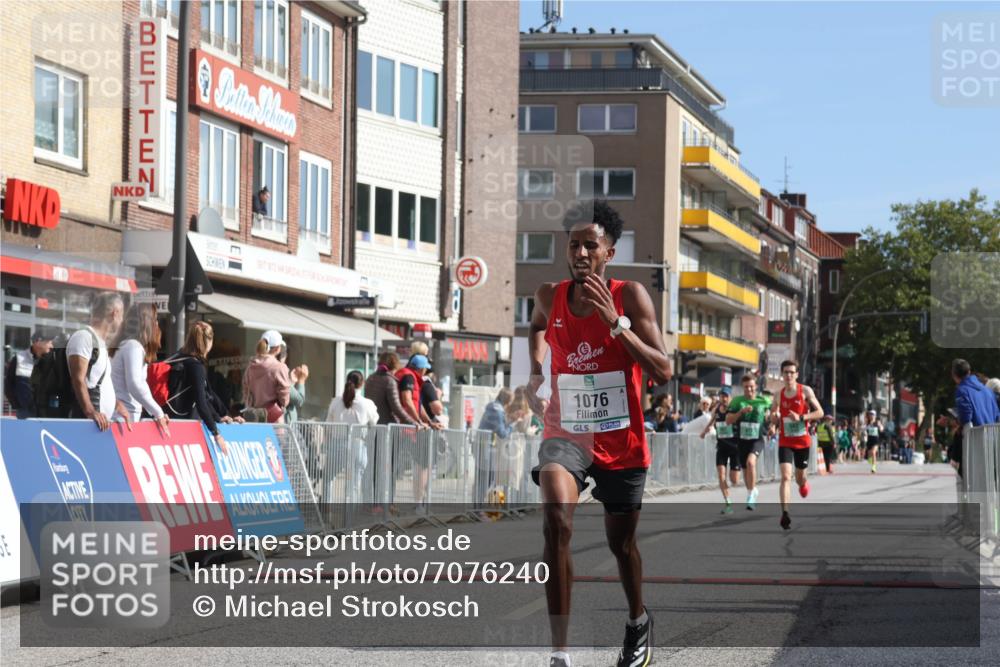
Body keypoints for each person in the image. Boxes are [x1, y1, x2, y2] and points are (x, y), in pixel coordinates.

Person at [525, 200, 672, 667]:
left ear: (609, 251)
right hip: (566, 432)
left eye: (592, 244)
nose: (582, 252)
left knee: (621, 544)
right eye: (574, 244)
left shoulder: (630, 296)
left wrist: (616, 323)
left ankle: (636, 620)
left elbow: (663, 368)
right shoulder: (550, 295)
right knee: (556, 521)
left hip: (621, 440)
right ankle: (560, 653)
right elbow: (535, 325)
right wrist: (534, 372)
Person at [168, 321, 237, 453]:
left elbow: (207, 394)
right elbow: (201, 402)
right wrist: (216, 433)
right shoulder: (196, 366)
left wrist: (219, 417)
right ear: (208, 341)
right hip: (186, 427)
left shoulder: (178, 357)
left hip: (170, 421)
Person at [771, 359, 823, 530]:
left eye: (792, 372)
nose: (788, 375)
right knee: (786, 476)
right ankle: (785, 514)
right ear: (782, 374)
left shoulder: (805, 391)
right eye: (786, 372)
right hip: (785, 441)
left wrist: (801, 417)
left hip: (802, 441)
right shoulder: (778, 394)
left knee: (800, 478)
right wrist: (773, 422)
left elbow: (820, 412)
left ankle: (802, 484)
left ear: (797, 374)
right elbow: (773, 414)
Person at [67, 291, 129, 430]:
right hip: (87, 425)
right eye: (122, 315)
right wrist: (90, 412)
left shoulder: (100, 343)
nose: (122, 321)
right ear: (115, 313)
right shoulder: (84, 337)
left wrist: (116, 404)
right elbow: (78, 379)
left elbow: (95, 381)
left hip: (100, 425)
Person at [109, 303, 169, 433]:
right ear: (147, 322)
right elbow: (135, 384)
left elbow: (139, 384)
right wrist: (158, 412)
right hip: (121, 419)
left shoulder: (129, 345)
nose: (157, 324)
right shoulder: (133, 347)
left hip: (122, 416)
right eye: (155, 319)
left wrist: (156, 411)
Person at [327, 370, 379, 503]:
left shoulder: (335, 402)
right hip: (358, 445)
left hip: (337, 444)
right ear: (362, 384)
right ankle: (350, 517)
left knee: (328, 479)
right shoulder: (367, 403)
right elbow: (374, 422)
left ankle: (326, 512)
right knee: (355, 484)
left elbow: (328, 424)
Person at [726, 374, 772, 511]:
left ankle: (751, 496)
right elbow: (728, 420)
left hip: (757, 439)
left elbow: (773, 413)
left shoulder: (764, 401)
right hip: (742, 441)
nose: (749, 390)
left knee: (751, 463)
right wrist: (741, 412)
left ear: (756, 386)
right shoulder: (736, 401)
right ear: (743, 387)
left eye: (752, 387)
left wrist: (772, 423)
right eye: (746, 387)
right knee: (746, 472)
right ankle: (751, 491)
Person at [702, 387, 740, 514]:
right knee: (721, 475)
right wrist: (704, 431)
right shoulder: (716, 410)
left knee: (734, 479)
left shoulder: (735, 409)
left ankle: (735, 481)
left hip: (735, 448)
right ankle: (728, 502)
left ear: (730, 397)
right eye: (721, 396)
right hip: (722, 447)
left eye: (726, 396)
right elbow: (712, 421)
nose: (723, 399)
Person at [243, 330, 291, 423]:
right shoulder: (279, 367)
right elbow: (285, 400)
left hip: (254, 418)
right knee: (275, 438)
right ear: (278, 348)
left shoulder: (250, 367)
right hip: (274, 419)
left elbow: (246, 393)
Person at [4, 330, 54, 418]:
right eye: (49, 342)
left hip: (46, 412)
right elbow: (8, 384)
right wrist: (17, 405)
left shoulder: (52, 361)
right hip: (25, 413)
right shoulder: (19, 358)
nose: (51, 346)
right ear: (38, 342)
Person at [953, 359, 1000, 427]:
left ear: (953, 375)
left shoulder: (962, 390)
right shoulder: (988, 390)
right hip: (992, 436)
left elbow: (965, 418)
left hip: (975, 436)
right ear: (969, 372)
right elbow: (997, 416)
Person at [278, 344, 308, 424]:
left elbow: (286, 395)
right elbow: (299, 400)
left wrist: (291, 381)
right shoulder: (277, 373)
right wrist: (302, 380)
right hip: (282, 429)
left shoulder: (264, 369)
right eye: (284, 353)